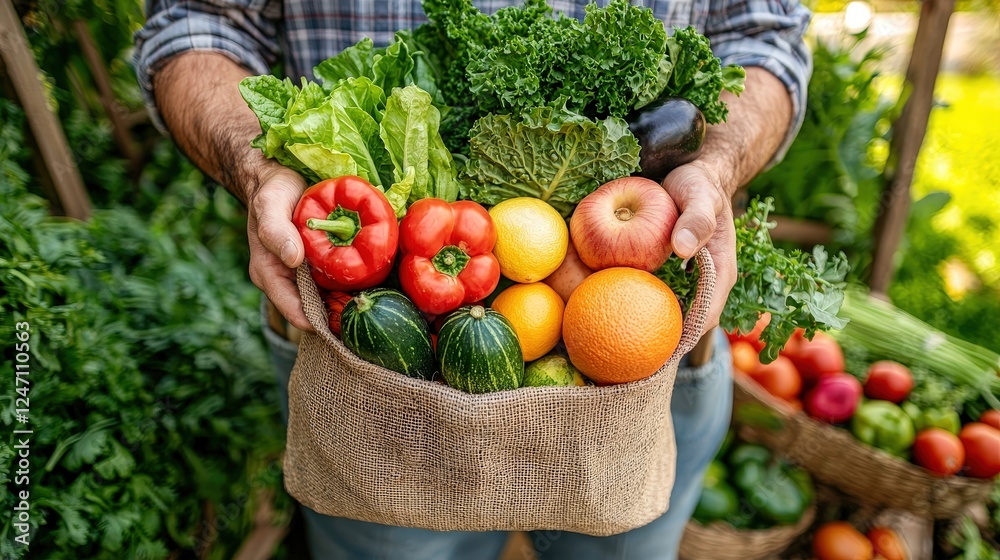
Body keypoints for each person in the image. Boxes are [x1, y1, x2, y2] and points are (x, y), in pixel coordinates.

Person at [135, 1, 810, 558]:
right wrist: (256, 170)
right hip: (373, 370)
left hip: (637, 373)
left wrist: (717, 163)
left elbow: (766, 33)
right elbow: (195, 21)